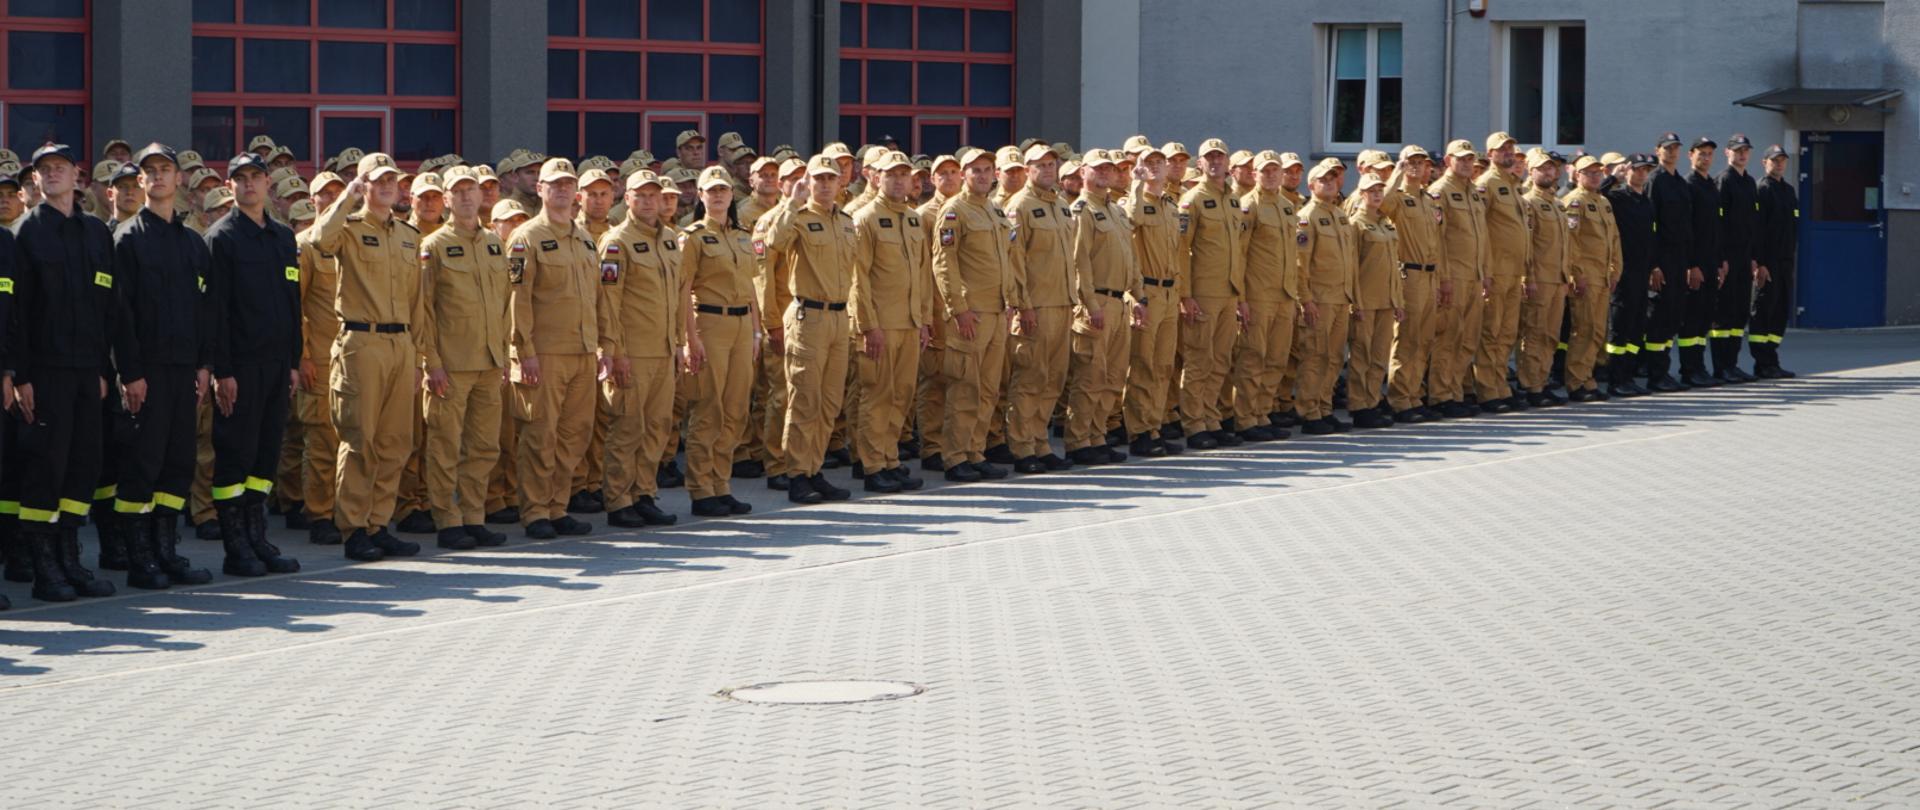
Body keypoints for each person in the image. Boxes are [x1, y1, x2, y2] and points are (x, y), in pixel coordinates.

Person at [7, 144, 122, 602]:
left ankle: (70, 558)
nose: (52, 175)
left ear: (78, 176)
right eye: (43, 170)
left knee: (82, 467)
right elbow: (15, 313)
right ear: (34, 181)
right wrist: (21, 376)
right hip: (45, 374)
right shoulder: (25, 233)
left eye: (60, 168)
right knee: (45, 469)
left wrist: (101, 369)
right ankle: (43, 568)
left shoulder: (95, 233)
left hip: (85, 374)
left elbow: (105, 309)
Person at [102, 143, 216, 590]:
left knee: (177, 464)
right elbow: (119, 314)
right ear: (142, 181)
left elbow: (205, 309)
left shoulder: (191, 243)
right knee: (142, 466)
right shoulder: (127, 239)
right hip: (146, 373)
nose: (159, 177)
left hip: (184, 372)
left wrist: (205, 364)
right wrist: (130, 373)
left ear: (178, 178)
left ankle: (166, 550)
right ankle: (139, 557)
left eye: (166, 169)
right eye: (150, 172)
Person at [312, 152, 429, 561]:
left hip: (400, 344)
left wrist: (417, 358)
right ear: (362, 185)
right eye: (376, 181)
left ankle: (379, 523)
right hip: (362, 343)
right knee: (360, 439)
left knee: (396, 441)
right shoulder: (349, 226)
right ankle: (353, 527)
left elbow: (418, 302)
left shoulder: (409, 235)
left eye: (391, 181)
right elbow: (319, 240)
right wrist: (346, 198)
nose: (385, 187)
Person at [202, 152, 303, 576]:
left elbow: (291, 302)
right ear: (230, 187)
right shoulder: (221, 238)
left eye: (255, 177)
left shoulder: (281, 238)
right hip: (239, 368)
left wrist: (294, 362)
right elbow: (215, 311)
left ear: (268, 184)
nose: (248, 185)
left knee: (265, 456)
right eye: (239, 179)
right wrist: (222, 371)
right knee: (235, 456)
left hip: (277, 365)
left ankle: (258, 537)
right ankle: (236, 545)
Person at [507, 158, 609, 539]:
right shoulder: (526, 238)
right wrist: (524, 351)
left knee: (574, 435)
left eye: (568, 184)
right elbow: (518, 299)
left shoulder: (584, 239)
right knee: (541, 434)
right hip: (546, 352)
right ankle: (535, 511)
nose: (562, 190)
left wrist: (605, 347)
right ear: (540, 190)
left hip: (583, 352)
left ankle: (558, 505)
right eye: (555, 184)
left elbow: (599, 298)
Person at [418, 166, 512, 550]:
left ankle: (473, 515)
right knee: (445, 445)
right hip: (451, 364)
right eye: (458, 192)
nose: (467, 197)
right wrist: (431, 362)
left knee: (484, 445)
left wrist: (505, 355)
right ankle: (446, 518)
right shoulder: (434, 246)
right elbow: (423, 309)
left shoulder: (494, 243)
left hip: (490, 361)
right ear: (445, 199)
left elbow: (507, 302)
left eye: (471, 190)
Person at [762, 156, 857, 502]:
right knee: (804, 399)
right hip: (808, 316)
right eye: (819, 179)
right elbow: (774, 243)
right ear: (808, 182)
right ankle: (797, 473)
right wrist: (793, 201)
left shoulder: (846, 222)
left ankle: (814, 468)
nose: (826, 184)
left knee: (830, 402)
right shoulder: (798, 217)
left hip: (838, 317)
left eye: (831, 179)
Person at [596, 170, 683, 528]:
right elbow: (608, 302)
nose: (649, 201)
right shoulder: (616, 242)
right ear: (626, 198)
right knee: (628, 427)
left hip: (663, 350)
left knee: (657, 427)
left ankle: (644, 493)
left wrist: (678, 343)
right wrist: (615, 352)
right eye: (641, 195)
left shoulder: (670, 240)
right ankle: (619, 500)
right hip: (633, 351)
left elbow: (676, 297)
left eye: (654, 195)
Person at [847, 150, 933, 492]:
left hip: (910, 322)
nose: (899, 180)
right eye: (891, 174)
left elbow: (923, 273)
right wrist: (869, 325)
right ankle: (872, 465)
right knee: (877, 394)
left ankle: (890, 458)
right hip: (881, 324)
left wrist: (925, 320)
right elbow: (859, 278)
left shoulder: (913, 219)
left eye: (903, 175)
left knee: (901, 395)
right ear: (875, 177)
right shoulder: (865, 218)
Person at [677, 166, 760, 517]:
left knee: (736, 408)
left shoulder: (742, 235)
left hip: (742, 325)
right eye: (711, 191)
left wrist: (757, 331)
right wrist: (688, 339)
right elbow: (682, 292)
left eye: (723, 190)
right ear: (700, 195)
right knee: (709, 408)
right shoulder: (692, 237)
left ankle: (721, 483)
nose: (718, 196)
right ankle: (701, 488)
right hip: (710, 323)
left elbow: (753, 287)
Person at [929, 148, 1015, 482]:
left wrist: (1008, 304)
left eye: (987, 170)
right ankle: (955, 456)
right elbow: (943, 264)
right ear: (964, 174)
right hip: (971, 314)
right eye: (975, 170)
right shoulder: (954, 211)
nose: (982, 176)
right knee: (965, 386)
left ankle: (975, 451)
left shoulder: (994, 210)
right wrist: (958, 308)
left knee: (988, 389)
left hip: (996, 311)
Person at [1063, 149, 1145, 464]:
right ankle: (1079, 440)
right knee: (1090, 376)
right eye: (1098, 168)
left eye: (1108, 169)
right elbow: (1078, 261)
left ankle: (1097, 436)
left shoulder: (1117, 211)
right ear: (1084, 172)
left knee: (1112, 378)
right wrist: (1089, 304)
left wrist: (1139, 296)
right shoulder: (1081, 210)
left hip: (1119, 301)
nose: (1104, 173)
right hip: (1096, 302)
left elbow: (1131, 257)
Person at [1003, 143, 1076, 473]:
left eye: (1051, 164)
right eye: (1040, 165)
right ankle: (1022, 446)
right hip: (1036, 306)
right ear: (1027, 169)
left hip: (1062, 303)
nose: (1047, 169)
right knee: (1030, 377)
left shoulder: (1061, 206)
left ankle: (1040, 442)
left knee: (1053, 379)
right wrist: (1023, 306)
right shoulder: (1019, 206)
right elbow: (1014, 262)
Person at [1174, 139, 1247, 450]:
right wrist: (1185, 294)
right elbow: (1181, 250)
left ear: (1228, 162)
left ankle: (1211, 418)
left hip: (1228, 292)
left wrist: (1241, 296)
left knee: (1220, 360)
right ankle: (1194, 423)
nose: (1215, 162)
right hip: (1203, 292)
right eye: (1209, 158)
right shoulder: (1192, 200)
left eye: (1220, 156)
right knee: (1198, 361)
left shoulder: (1232, 200)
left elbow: (1238, 253)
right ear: (1200, 163)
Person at [1230, 149, 1304, 441]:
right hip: (1258, 294)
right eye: (1266, 170)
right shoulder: (1248, 206)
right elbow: (1240, 255)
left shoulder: (1287, 206)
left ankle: (1263, 412)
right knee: (1253, 357)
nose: (1272, 174)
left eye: (1276, 170)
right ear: (1255, 174)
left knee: (1276, 358)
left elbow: (1292, 254)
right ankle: (1246, 418)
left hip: (1284, 295)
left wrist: (1296, 294)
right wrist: (1242, 298)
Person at [1119, 144, 1185, 458]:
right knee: (1143, 365)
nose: (1155, 167)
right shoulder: (1132, 201)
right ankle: (1140, 431)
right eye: (1148, 162)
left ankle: (1155, 426)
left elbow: (1177, 254)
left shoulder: (1170, 206)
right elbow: (1130, 221)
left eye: (1159, 162)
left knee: (1163, 366)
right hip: (1146, 292)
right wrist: (1136, 181)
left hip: (1170, 292)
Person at [1427, 140, 1490, 419]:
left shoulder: (1474, 193)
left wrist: (1485, 272)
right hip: (1453, 276)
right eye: (1461, 159)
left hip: (1474, 276)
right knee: (1448, 337)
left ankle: (1455, 390)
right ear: (1448, 161)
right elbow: (1436, 241)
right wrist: (1443, 278)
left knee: (1467, 338)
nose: (1467, 164)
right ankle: (1441, 394)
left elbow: (1482, 237)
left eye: (1470, 160)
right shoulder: (1440, 192)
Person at [1382, 146, 1444, 423]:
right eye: (1412, 162)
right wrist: (1397, 169)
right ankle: (1400, 399)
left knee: (1424, 339)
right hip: (1410, 273)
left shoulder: (1429, 200)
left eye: (1422, 163)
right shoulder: (1398, 197)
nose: (1417, 167)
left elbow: (1436, 243)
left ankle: (1415, 394)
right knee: (1407, 339)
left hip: (1430, 274)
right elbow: (1381, 203)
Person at [1295, 161, 1357, 435]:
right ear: (1311, 186)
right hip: (1319, 299)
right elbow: (1300, 264)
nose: (1329, 183)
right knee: (1315, 356)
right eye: (1323, 180)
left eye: (1333, 179)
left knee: (1333, 357)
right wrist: (1305, 299)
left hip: (1340, 297)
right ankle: (1309, 412)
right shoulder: (1307, 217)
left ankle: (1323, 406)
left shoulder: (1340, 215)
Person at [1472, 132, 1532, 413]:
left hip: (1513, 272)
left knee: (1507, 333)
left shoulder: (1514, 184)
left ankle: (1501, 386)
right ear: (1489, 155)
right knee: (1492, 332)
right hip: (1495, 271)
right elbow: (1479, 230)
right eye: (1501, 150)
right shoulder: (1486, 184)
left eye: (1510, 148)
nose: (1508, 153)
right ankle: (1488, 390)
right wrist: (1484, 269)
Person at [1560, 155, 1622, 402]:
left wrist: (1615, 270)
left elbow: (1614, 240)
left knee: (1597, 331)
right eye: (1589, 173)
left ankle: (1588, 378)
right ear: (1577, 175)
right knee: (1583, 329)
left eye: (1598, 172)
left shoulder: (1604, 202)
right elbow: (1570, 242)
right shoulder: (1575, 201)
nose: (1595, 176)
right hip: (1586, 276)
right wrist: (1577, 274)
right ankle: (1577, 382)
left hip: (1603, 277)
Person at [1346, 174, 1404, 428]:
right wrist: (1355, 302)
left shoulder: (1387, 224)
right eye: (1371, 191)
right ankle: (1359, 405)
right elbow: (1351, 267)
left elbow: (1393, 266)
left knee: (1379, 355)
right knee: (1362, 355)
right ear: (1361, 194)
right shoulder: (1356, 225)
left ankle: (1372, 401)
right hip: (1365, 301)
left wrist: (1398, 300)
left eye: (1380, 190)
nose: (1377, 195)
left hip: (1386, 300)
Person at [1515, 150, 1572, 407]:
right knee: (1534, 333)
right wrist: (1529, 277)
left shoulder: (1558, 204)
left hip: (1557, 279)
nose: (1548, 172)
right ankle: (1531, 385)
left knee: (1550, 334)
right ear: (1531, 171)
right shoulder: (1529, 203)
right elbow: (1526, 246)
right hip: (1539, 278)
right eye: (1542, 168)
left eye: (1551, 168)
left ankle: (1543, 380)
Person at [1645, 132, 1695, 393]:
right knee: (1660, 317)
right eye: (1667, 148)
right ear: (1658, 150)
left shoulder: (1679, 183)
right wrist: (1653, 264)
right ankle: (1655, 374)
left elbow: (1686, 225)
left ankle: (1664, 371)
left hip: (1679, 259)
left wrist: (1688, 263)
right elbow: (1651, 226)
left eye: (1675, 148)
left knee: (1674, 315)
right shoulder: (1656, 180)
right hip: (1662, 259)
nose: (1672, 152)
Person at [1605, 153, 1658, 398]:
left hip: (1641, 271)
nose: (1642, 174)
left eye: (1646, 170)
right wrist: (1612, 178)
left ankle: (1629, 375)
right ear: (1628, 171)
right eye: (1637, 169)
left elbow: (1650, 238)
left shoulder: (1645, 201)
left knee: (1637, 326)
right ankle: (1616, 379)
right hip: (1623, 271)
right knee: (1620, 326)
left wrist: (1653, 266)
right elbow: (1597, 195)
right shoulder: (1617, 197)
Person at [1712, 135, 1760, 383]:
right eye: (1737, 150)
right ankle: (1721, 366)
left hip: (1744, 258)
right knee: (1724, 313)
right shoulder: (1724, 181)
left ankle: (1733, 363)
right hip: (1728, 258)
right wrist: (1721, 258)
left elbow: (1751, 224)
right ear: (1727, 153)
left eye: (1745, 151)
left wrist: (1753, 257)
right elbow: (1718, 225)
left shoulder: (1749, 182)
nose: (1742, 154)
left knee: (1739, 312)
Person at [1749, 145, 1797, 378]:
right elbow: (1758, 231)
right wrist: (1761, 263)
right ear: (1764, 162)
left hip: (1786, 261)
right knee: (1764, 310)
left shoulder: (1788, 191)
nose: (1779, 164)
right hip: (1769, 262)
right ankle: (1762, 362)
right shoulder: (1762, 189)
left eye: (1782, 160)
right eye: (1774, 160)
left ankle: (1772, 358)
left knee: (1780, 310)